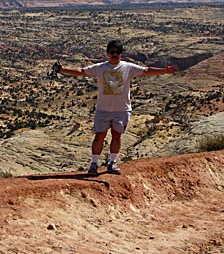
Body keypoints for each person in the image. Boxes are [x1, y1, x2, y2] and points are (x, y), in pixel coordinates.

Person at [55, 40, 178, 175]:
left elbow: (146, 71)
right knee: (99, 137)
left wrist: (164, 71)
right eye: (112, 52)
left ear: (121, 54)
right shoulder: (100, 67)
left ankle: (112, 163)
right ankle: (94, 164)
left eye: (117, 52)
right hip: (104, 109)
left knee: (116, 136)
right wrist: (62, 70)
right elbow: (82, 71)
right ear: (108, 53)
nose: (115, 55)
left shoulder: (128, 67)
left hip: (122, 110)